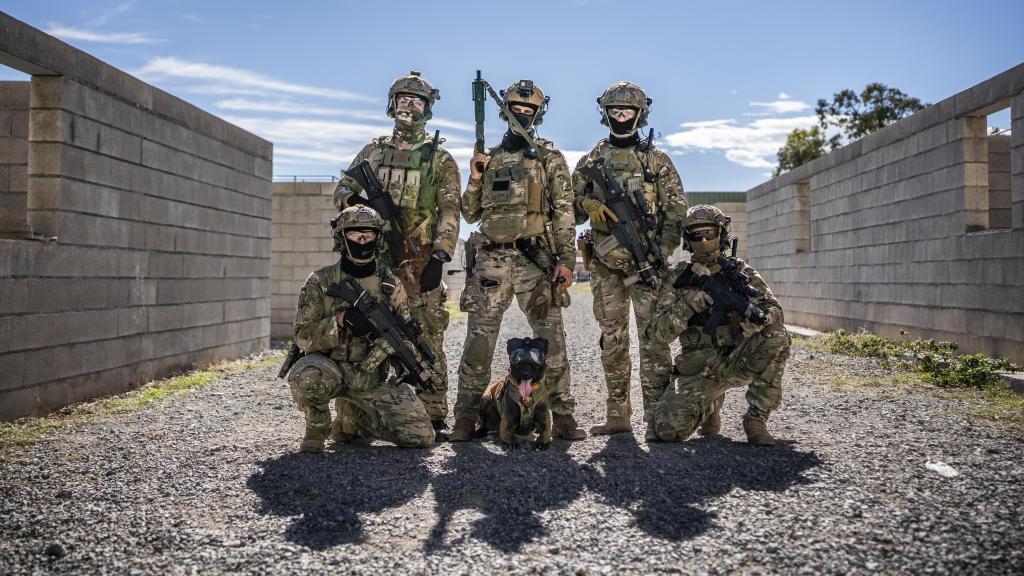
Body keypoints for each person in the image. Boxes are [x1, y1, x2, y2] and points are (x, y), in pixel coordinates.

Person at [448, 79, 585, 442]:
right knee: (478, 344)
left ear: (539, 114)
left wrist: (567, 259)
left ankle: (563, 416)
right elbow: (470, 212)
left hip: (534, 261)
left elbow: (564, 212)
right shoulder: (490, 157)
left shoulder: (549, 158)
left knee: (550, 341)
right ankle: (465, 418)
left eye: (529, 111)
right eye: (515, 109)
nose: (522, 115)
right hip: (492, 261)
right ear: (504, 111)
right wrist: (476, 178)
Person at [333, 71, 461, 436]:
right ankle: (353, 418)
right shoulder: (373, 152)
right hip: (370, 259)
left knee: (425, 333)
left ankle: (433, 413)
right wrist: (355, 202)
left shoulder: (439, 158)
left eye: (416, 101)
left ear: (427, 109)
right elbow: (343, 188)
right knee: (361, 333)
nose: (409, 106)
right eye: (403, 99)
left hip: (416, 260)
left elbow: (450, 210)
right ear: (392, 105)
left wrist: (440, 255)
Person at [571, 81, 688, 440]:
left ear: (641, 114)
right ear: (605, 114)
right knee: (613, 341)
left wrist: (660, 252)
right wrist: (588, 204)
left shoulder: (656, 161)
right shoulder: (591, 160)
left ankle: (657, 417)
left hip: (647, 266)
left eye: (628, 112)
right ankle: (618, 414)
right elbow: (570, 207)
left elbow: (676, 211)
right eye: (615, 112)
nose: (621, 117)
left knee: (654, 343)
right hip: (606, 268)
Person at [285, 205, 435, 452]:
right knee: (307, 375)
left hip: (370, 378)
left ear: (378, 239)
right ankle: (317, 428)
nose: (363, 239)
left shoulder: (391, 284)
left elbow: (404, 331)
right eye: (355, 234)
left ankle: (352, 423)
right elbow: (303, 337)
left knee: (420, 436)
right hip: (329, 370)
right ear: (342, 238)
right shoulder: (321, 281)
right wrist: (340, 320)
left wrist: (405, 359)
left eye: (369, 233)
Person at [646, 204, 791, 445]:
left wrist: (761, 321)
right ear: (687, 240)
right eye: (696, 235)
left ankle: (755, 420)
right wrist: (687, 306)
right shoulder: (679, 278)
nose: (703, 240)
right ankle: (710, 405)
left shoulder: (741, 273)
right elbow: (657, 334)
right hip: (699, 369)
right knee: (667, 430)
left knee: (776, 335)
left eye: (710, 234)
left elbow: (775, 310)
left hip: (737, 358)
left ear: (721, 235)